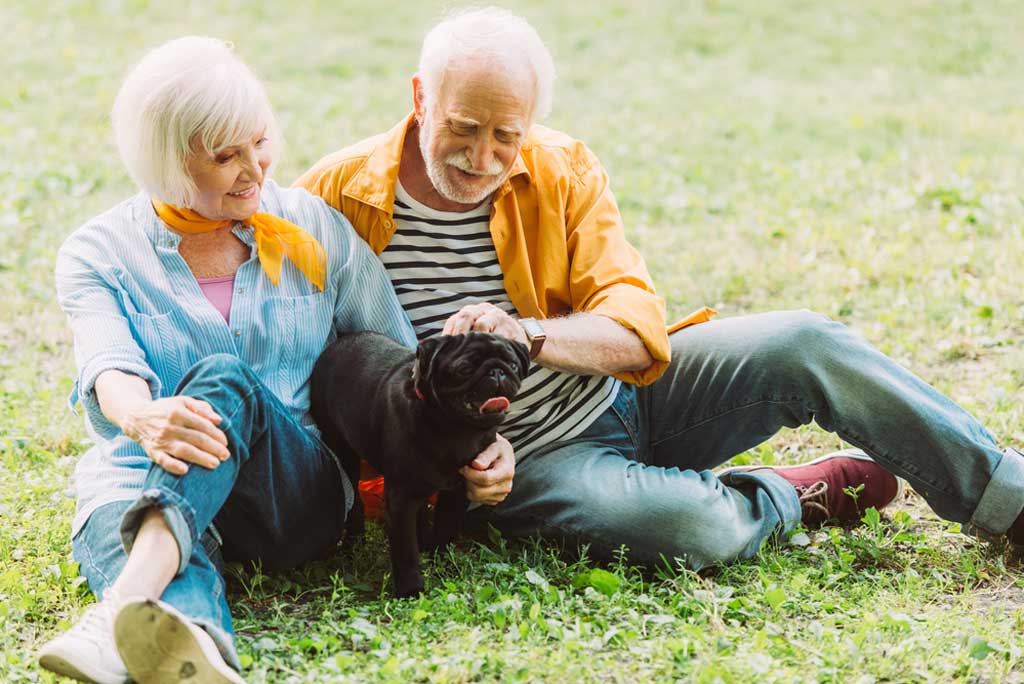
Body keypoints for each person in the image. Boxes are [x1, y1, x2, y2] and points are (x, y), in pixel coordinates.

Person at [295, 7, 1024, 572]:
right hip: (528, 464)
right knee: (694, 530)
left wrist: (529, 333)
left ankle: (1010, 503)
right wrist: (452, 464)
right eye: (463, 127)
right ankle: (783, 493)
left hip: (629, 394)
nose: (482, 156)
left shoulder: (562, 168)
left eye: (505, 135)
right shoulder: (334, 197)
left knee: (805, 339)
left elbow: (635, 323)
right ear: (421, 97)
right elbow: (317, 363)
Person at [37, 37, 422, 684]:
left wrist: (470, 446)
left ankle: (119, 609)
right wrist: (141, 420)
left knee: (225, 384)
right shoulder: (98, 253)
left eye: (261, 141)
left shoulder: (314, 229)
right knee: (114, 510)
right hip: (143, 471)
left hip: (291, 496)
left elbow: (399, 365)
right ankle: (199, 652)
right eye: (225, 156)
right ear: (166, 162)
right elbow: (109, 366)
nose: (256, 169)